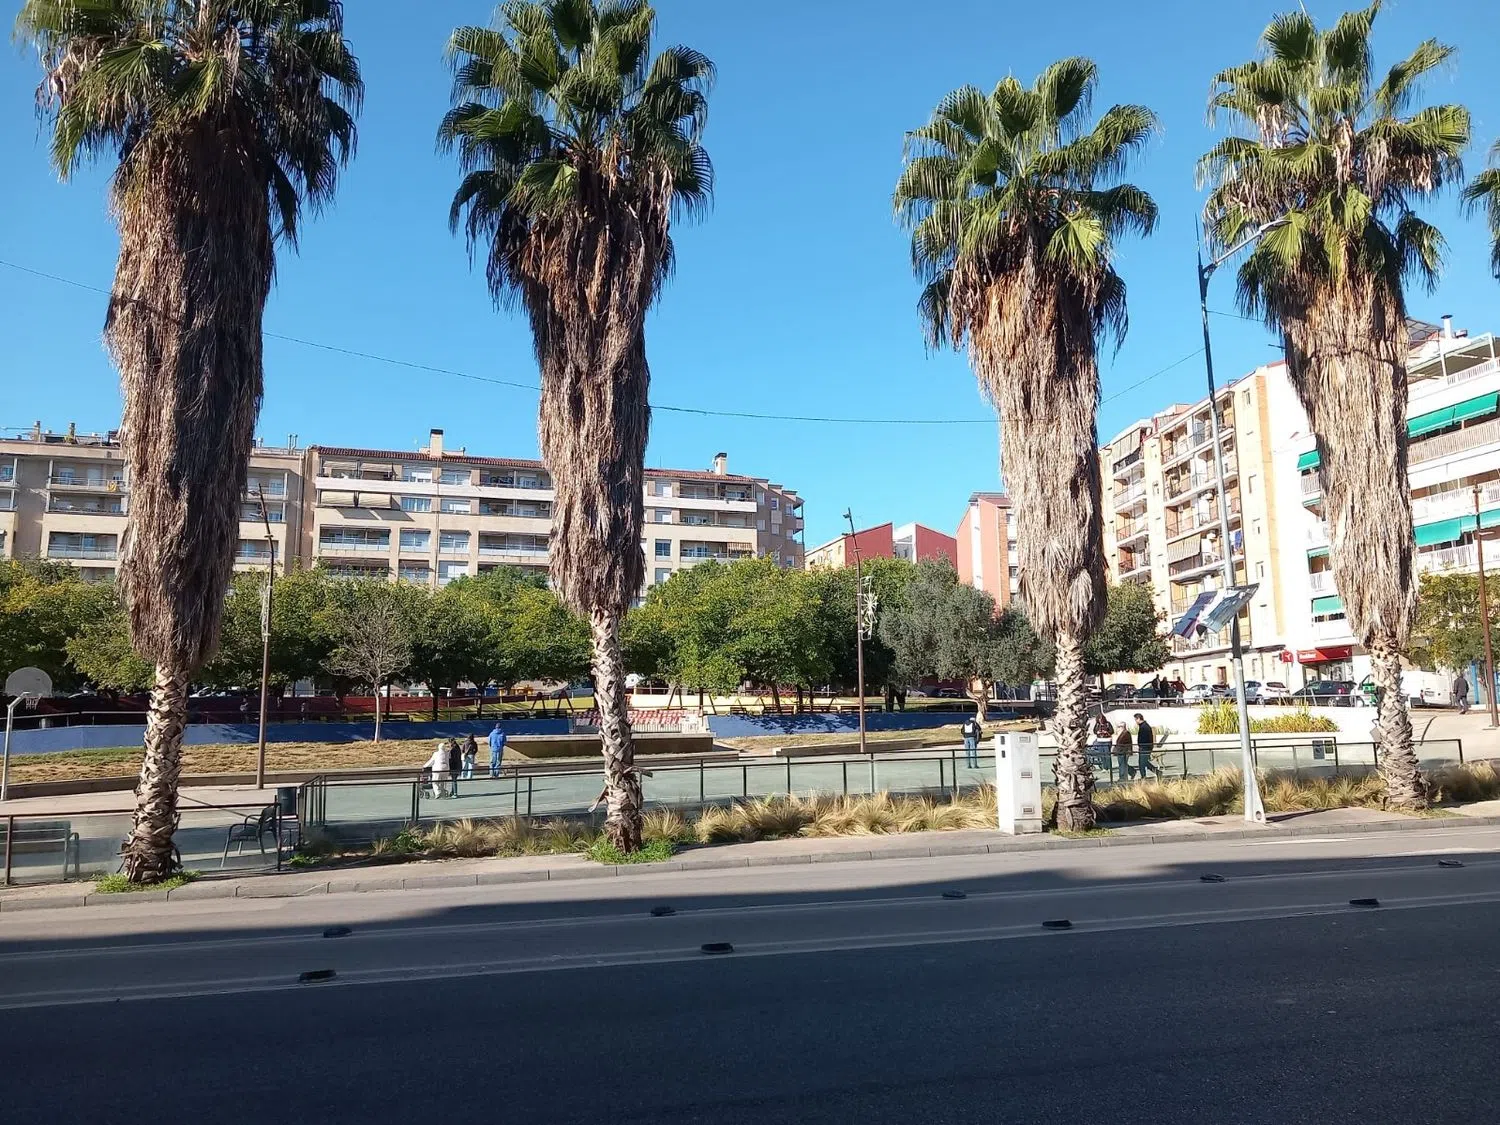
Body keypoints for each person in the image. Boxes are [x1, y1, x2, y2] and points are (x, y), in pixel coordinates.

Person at [1134, 713, 1161, 780]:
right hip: (1144, 747)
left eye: (1135, 720)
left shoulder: (1144, 727)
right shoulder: (1143, 726)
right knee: (1143, 762)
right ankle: (1156, 772)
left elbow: (1146, 738)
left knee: (1142, 762)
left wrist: (1144, 746)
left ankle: (1144, 776)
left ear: (1139, 719)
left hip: (1145, 747)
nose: (1135, 721)